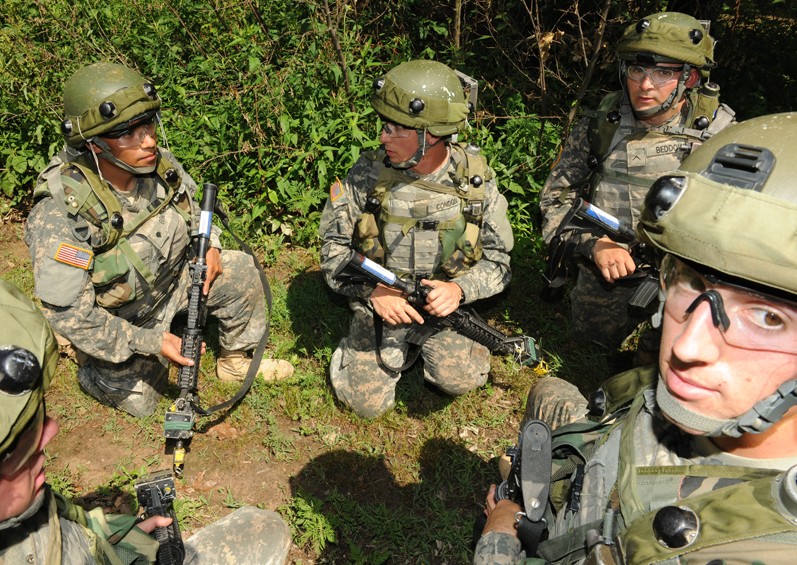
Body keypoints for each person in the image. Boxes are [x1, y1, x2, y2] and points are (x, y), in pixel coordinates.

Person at [474, 112, 797, 563]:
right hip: (590, 470)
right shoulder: (660, 395)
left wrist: (499, 531)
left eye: (767, 318)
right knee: (549, 392)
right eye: (692, 284)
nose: (686, 347)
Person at [25, 62, 294, 418]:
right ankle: (87, 362)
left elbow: (197, 209)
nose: (148, 140)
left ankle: (233, 360)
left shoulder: (158, 165)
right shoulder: (61, 212)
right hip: (123, 319)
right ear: (93, 143)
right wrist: (152, 341)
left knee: (240, 269)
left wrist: (210, 243)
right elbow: (73, 313)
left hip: (174, 284)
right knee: (142, 400)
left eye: (148, 124)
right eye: (128, 132)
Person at [0, 278, 292, 563]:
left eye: (38, 415)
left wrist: (120, 544)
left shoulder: (20, 508)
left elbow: (65, 537)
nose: (52, 430)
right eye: (20, 438)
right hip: (122, 312)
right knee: (267, 530)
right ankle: (91, 365)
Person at [318, 59, 514, 418]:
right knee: (366, 406)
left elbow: (499, 262)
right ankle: (363, 340)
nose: (383, 138)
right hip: (383, 303)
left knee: (461, 379)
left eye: (397, 130)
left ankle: (426, 346)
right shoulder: (369, 174)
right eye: (384, 126)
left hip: (442, 310)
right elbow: (332, 249)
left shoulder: (473, 182)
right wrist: (372, 292)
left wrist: (459, 290)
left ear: (432, 134)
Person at [540, 12, 735, 355]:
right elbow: (555, 201)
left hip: (688, 275)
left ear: (688, 79)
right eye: (638, 70)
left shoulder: (719, 135)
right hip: (613, 270)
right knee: (589, 346)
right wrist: (595, 244)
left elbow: (741, 226)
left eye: (663, 72)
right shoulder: (602, 125)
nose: (645, 85)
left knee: (672, 357)